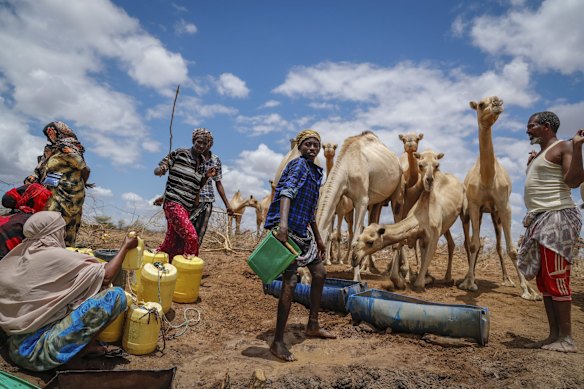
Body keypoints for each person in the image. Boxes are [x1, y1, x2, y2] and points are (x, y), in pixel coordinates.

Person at [0, 211, 138, 371]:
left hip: (14, 346)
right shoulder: (54, 256)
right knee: (115, 296)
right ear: (53, 231)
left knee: (74, 295)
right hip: (37, 353)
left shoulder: (17, 255)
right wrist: (125, 246)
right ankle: (76, 357)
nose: (64, 233)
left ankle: (83, 347)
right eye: (61, 229)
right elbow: (106, 276)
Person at [263, 129, 336, 362]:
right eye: (308, 145)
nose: (312, 149)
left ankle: (312, 325)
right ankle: (277, 342)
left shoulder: (315, 172)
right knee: (290, 281)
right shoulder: (298, 166)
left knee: (320, 273)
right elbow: (286, 193)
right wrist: (283, 226)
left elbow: (311, 211)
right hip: (289, 231)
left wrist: (319, 237)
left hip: (304, 233)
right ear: (300, 147)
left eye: (316, 145)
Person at [517, 111, 584, 353]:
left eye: (531, 125)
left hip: (557, 218)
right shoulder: (540, 154)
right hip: (541, 219)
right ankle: (554, 335)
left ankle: (566, 339)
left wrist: (577, 149)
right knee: (544, 280)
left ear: (546, 127)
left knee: (556, 276)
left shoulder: (563, 146)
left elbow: (574, 181)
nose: (528, 130)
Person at [24, 121, 91, 246]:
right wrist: (33, 177)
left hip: (69, 195)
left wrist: (80, 185)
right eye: (48, 135)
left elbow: (84, 168)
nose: (50, 137)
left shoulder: (69, 148)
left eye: (52, 133)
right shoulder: (50, 151)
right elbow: (40, 169)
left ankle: (64, 255)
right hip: (51, 194)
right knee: (48, 225)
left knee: (67, 227)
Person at [154, 128, 216, 261]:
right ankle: (188, 267)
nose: (201, 145)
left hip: (187, 207)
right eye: (199, 142)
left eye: (205, 144)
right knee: (192, 236)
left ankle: (163, 265)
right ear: (194, 140)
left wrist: (206, 177)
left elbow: (197, 186)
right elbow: (159, 168)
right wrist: (162, 169)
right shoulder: (180, 153)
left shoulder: (202, 163)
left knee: (171, 241)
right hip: (173, 203)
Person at [0, 183, 52, 259]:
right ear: (36, 201)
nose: (48, 205)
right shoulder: (31, 222)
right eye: (45, 200)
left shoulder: (11, 215)